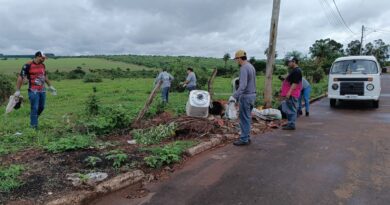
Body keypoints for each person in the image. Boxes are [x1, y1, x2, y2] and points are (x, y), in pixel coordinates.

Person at [14, 51, 56, 129]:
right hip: (33, 90)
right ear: (37, 56)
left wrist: (50, 86)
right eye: (42, 58)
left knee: (41, 107)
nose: (44, 59)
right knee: (35, 107)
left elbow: (45, 76)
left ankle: (34, 120)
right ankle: (33, 126)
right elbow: (20, 77)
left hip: (42, 90)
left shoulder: (43, 65)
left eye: (44, 58)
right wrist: (18, 90)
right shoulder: (27, 65)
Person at [229, 49, 256, 146]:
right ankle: (247, 137)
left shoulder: (244, 68)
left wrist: (234, 96)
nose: (236, 61)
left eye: (236, 59)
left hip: (246, 96)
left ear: (240, 58)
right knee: (247, 117)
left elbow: (243, 85)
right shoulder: (251, 67)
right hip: (252, 95)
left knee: (244, 118)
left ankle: (244, 139)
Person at [280, 57, 302, 130]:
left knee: (291, 109)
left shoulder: (297, 71)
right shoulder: (294, 70)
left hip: (292, 94)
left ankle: (291, 124)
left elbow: (295, 83)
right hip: (290, 93)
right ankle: (290, 123)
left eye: (289, 62)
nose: (288, 63)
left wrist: (289, 92)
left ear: (294, 62)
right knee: (288, 109)